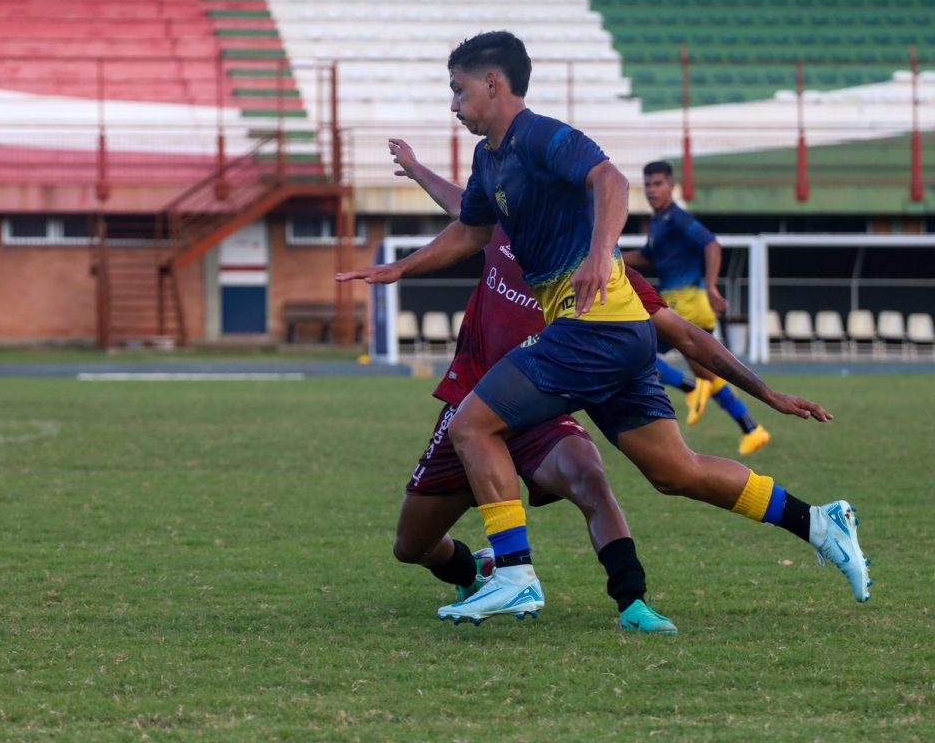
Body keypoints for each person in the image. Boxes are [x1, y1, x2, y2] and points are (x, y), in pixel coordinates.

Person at [338, 31, 871, 625]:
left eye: (458, 90)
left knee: (471, 426)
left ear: (493, 83)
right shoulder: (490, 161)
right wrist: (402, 267)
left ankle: (512, 574)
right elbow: (468, 231)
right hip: (619, 340)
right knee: (676, 471)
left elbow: (611, 181)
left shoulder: (539, 135)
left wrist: (599, 251)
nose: (453, 105)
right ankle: (819, 522)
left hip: (595, 331)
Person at [389, 139, 834, 634]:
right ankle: (479, 571)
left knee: (590, 476)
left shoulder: (610, 276)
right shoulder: (502, 227)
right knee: (412, 546)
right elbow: (460, 203)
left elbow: (687, 335)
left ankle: (632, 601)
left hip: (539, 408)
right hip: (472, 403)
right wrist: (415, 167)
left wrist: (767, 393)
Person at [623, 161, 770, 455]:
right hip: (688, 306)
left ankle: (690, 388)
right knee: (708, 373)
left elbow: (711, 244)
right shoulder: (660, 223)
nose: (652, 190)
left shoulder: (677, 218)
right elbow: (649, 256)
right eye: (648, 184)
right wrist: (610, 256)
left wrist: (713, 285)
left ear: (671, 186)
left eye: (658, 184)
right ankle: (752, 429)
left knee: (634, 352)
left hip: (684, 303)